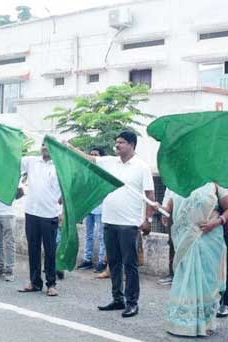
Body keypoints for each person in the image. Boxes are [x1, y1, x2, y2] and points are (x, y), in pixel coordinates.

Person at [95, 131, 156, 318]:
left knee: (130, 265)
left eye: (121, 142)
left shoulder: (142, 167)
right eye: (116, 142)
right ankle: (117, 299)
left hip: (129, 224)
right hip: (110, 221)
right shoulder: (110, 162)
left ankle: (132, 302)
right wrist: (69, 148)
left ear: (132, 145)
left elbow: (150, 197)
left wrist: (148, 220)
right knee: (113, 263)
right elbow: (90, 159)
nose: (117, 145)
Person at [163, 182, 228, 337]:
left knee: (206, 281)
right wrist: (160, 210)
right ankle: (182, 322)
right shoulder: (180, 182)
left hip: (209, 238)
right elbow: (168, 208)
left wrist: (216, 222)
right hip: (186, 240)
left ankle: (206, 323)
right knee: (185, 280)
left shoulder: (215, 184)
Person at [18, 143, 62, 297]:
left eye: (48, 145)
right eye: (43, 144)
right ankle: (35, 282)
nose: (44, 147)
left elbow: (68, 186)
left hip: (49, 214)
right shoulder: (31, 161)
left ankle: (51, 284)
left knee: (50, 251)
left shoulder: (59, 166)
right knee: (33, 249)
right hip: (31, 212)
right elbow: (12, 162)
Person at [79, 147, 109, 275]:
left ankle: (102, 261)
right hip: (89, 208)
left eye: (95, 155)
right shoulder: (87, 171)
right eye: (91, 155)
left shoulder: (105, 172)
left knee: (101, 235)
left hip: (101, 208)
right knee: (89, 234)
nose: (93, 157)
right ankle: (87, 259)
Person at [0, 195, 18, 282]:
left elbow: (20, 193)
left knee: (9, 243)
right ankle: (0, 267)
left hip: (8, 213)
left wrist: (8, 194)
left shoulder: (12, 181)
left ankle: (9, 270)